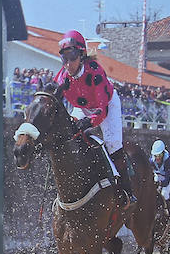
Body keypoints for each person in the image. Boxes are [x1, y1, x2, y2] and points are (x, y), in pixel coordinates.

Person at [53, 31, 133, 204]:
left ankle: (126, 190)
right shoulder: (62, 78)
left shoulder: (95, 72)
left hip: (106, 105)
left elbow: (102, 111)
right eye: (63, 58)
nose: (67, 63)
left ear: (81, 55)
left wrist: (87, 122)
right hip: (83, 107)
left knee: (112, 144)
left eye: (71, 57)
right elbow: (52, 99)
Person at [149, 140, 170, 219]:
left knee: (164, 193)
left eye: (160, 155)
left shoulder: (168, 160)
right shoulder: (151, 161)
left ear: (163, 153)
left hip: (168, 175)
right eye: (156, 155)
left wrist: (160, 183)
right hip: (159, 174)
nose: (157, 158)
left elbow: (166, 181)